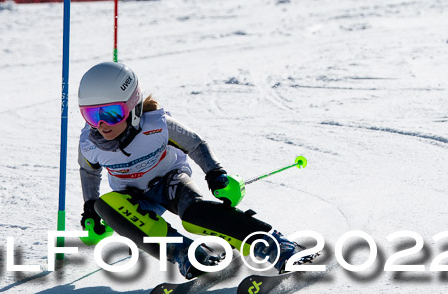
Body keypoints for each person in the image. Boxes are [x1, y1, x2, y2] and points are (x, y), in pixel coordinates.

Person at [77, 61, 299, 279]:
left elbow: (195, 143)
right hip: (133, 198)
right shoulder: (89, 143)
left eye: (112, 113)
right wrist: (89, 207)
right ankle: (186, 254)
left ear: (133, 106)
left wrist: (214, 172)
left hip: (169, 182)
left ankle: (275, 245)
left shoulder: (157, 126)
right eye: (92, 115)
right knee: (105, 206)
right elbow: (88, 171)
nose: (102, 124)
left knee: (193, 214)